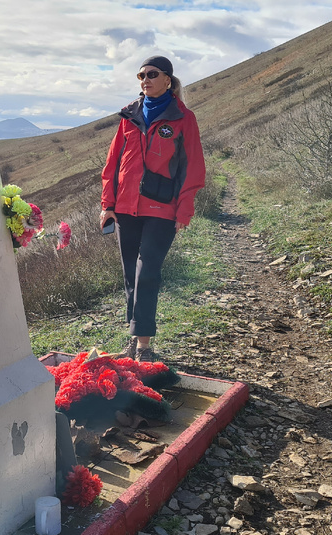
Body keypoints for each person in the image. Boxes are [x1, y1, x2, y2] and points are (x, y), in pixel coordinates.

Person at [99, 55, 206, 362]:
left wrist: (185, 208)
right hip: (125, 210)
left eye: (152, 74)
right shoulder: (128, 116)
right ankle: (135, 341)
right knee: (131, 275)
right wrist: (108, 205)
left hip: (162, 210)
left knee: (147, 274)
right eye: (141, 75)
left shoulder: (184, 118)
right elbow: (112, 165)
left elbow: (194, 167)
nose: (145, 79)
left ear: (168, 80)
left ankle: (144, 346)